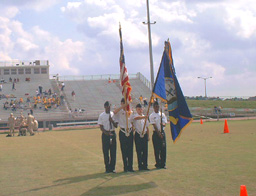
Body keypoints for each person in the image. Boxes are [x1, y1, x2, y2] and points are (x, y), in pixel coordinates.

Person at [113, 98, 134, 172]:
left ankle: (130, 167)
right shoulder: (119, 111)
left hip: (130, 131)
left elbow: (132, 121)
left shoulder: (130, 111)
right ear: (121, 103)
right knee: (124, 150)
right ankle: (125, 167)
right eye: (123, 103)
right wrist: (123, 106)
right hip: (123, 131)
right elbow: (115, 112)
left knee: (130, 150)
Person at [98, 101, 118, 173]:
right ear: (105, 107)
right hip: (105, 134)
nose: (109, 108)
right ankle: (107, 168)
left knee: (113, 152)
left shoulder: (113, 114)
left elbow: (116, 125)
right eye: (108, 106)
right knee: (106, 152)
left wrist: (112, 121)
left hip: (112, 133)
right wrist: (106, 133)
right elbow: (101, 126)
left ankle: (112, 168)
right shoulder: (102, 115)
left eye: (110, 106)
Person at [149, 101, 167, 169]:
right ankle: (158, 163)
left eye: (158, 106)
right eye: (155, 107)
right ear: (153, 107)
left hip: (162, 132)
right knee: (157, 149)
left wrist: (163, 125)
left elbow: (165, 122)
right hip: (156, 134)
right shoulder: (152, 116)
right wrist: (159, 134)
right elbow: (154, 125)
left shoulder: (162, 114)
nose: (157, 108)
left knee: (163, 149)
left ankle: (163, 163)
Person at [132, 104, 149, 171]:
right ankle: (140, 166)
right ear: (136, 110)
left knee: (145, 151)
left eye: (141, 109)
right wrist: (144, 117)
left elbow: (147, 127)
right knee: (139, 151)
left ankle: (145, 165)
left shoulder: (145, 117)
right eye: (138, 109)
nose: (140, 110)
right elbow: (136, 119)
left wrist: (148, 136)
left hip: (144, 134)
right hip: (138, 134)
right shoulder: (135, 116)